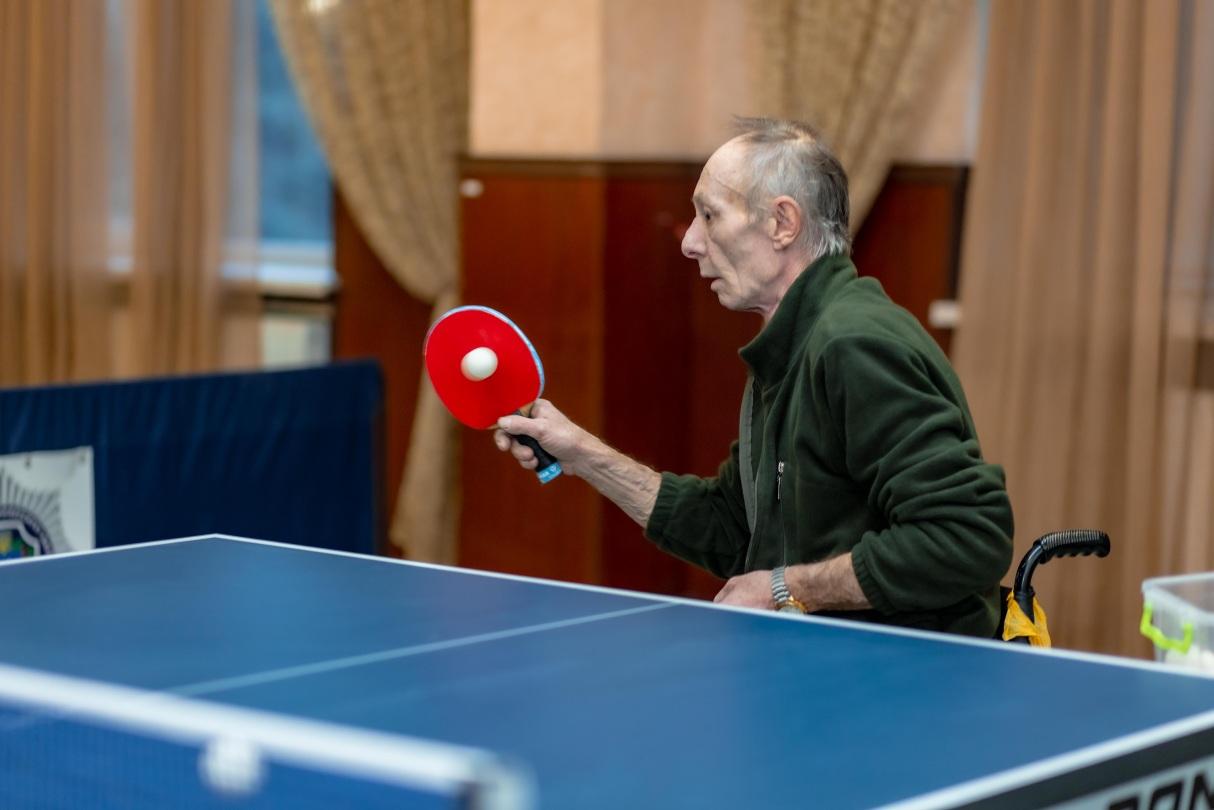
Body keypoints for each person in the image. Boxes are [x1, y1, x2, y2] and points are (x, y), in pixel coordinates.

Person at [494, 117, 1013, 637]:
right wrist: (582, 454)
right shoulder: (791, 343)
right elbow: (731, 527)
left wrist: (784, 587)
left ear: (782, 223)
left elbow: (967, 537)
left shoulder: (854, 344)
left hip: (907, 671)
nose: (689, 242)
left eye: (709, 215)